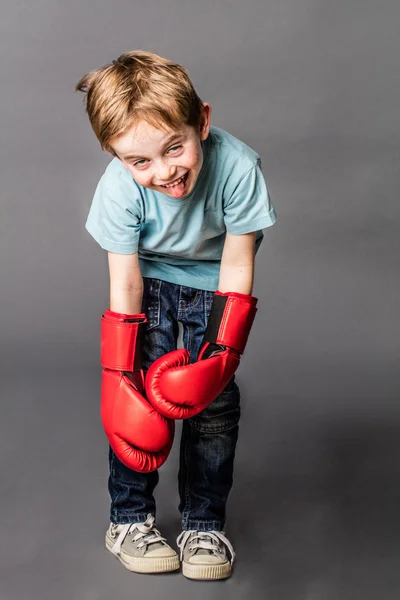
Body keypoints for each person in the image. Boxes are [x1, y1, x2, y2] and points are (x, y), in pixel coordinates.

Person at [75, 49, 277, 581]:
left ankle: (203, 523)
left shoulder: (237, 166)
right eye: (139, 161)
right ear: (117, 157)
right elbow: (125, 280)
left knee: (213, 412)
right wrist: (118, 374)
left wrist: (222, 353)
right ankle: (128, 519)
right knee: (135, 412)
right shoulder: (118, 189)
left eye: (174, 148)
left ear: (202, 122)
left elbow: (238, 262)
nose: (165, 172)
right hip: (149, 294)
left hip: (215, 297)